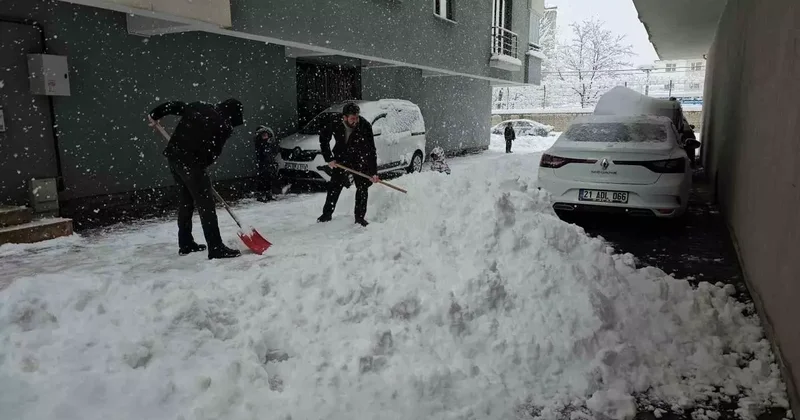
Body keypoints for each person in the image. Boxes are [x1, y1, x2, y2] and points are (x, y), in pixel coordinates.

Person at [148, 98, 244, 260]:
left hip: (174, 158)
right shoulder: (224, 126)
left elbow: (176, 105)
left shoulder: (199, 106)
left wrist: (155, 114)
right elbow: (213, 153)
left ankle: (185, 243)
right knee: (206, 205)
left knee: (186, 201)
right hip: (192, 164)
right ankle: (215, 247)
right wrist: (201, 168)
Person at [316, 102, 379, 227]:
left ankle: (360, 218)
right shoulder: (335, 122)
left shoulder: (365, 125)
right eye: (352, 118)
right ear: (344, 117)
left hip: (359, 159)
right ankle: (326, 214)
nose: (355, 121)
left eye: (357, 118)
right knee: (334, 186)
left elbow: (371, 149)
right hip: (341, 158)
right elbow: (323, 138)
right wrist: (329, 158)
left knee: (362, 187)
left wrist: (373, 172)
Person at [253, 125, 280, 202]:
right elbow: (262, 154)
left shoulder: (269, 144)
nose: (265, 136)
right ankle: (260, 195)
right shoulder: (260, 144)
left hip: (269, 164)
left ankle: (268, 194)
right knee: (262, 179)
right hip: (263, 165)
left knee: (269, 179)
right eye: (263, 135)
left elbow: (271, 153)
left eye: (266, 135)